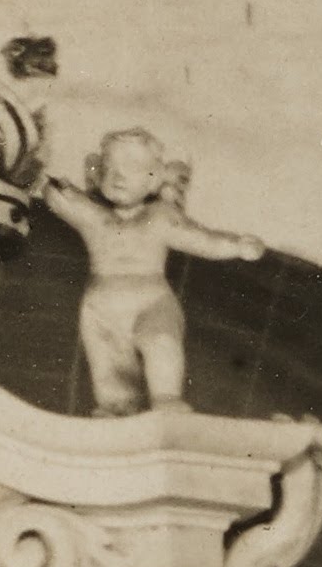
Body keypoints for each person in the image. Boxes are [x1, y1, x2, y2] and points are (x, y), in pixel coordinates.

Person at [36, 131, 264, 414]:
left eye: (132, 168)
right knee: (108, 362)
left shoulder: (159, 218)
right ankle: (117, 408)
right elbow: (58, 199)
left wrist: (236, 246)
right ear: (98, 171)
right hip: (100, 305)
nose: (118, 176)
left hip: (151, 298)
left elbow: (200, 239)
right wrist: (51, 184)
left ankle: (166, 398)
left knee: (161, 341)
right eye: (110, 168)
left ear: (154, 179)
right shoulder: (94, 216)